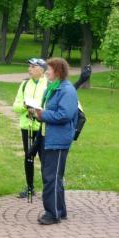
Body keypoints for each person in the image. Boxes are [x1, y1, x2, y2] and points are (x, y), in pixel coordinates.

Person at [29, 58, 78, 225]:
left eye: (48, 69)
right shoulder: (52, 88)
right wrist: (36, 112)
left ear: (57, 71)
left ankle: (52, 213)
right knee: (53, 176)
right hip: (47, 137)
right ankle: (60, 210)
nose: (46, 71)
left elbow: (65, 115)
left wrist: (43, 115)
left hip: (58, 140)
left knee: (51, 177)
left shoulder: (67, 90)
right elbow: (49, 111)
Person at [12, 58, 48, 199]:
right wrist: (25, 107)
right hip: (27, 126)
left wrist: (38, 111)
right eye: (29, 66)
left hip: (42, 127)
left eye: (33, 67)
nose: (29, 69)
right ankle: (30, 187)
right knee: (29, 157)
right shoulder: (24, 84)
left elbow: (51, 106)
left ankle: (48, 188)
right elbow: (16, 105)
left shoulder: (48, 85)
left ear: (41, 70)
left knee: (44, 158)